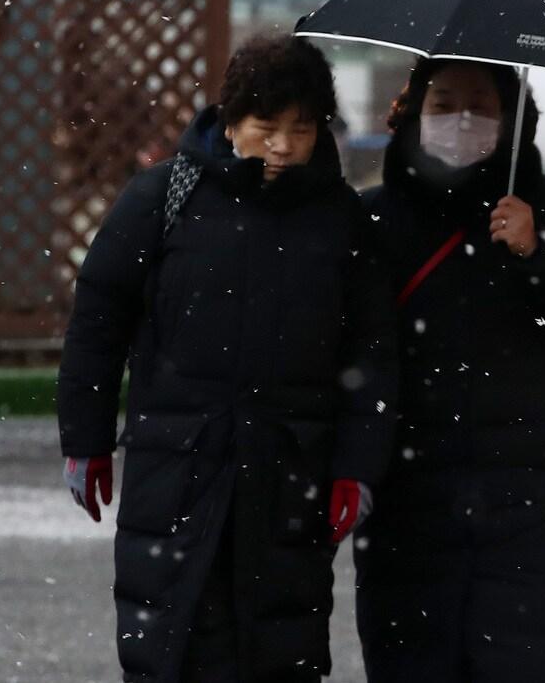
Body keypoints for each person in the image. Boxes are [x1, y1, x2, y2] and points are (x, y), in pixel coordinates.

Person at [56, 35, 398, 682]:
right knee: (171, 647)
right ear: (230, 117)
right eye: (266, 127)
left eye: (301, 129)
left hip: (288, 478)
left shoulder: (341, 220)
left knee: (278, 652)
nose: (282, 145)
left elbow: (373, 352)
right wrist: (86, 437)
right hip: (176, 470)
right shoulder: (163, 197)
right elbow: (98, 321)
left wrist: (358, 466)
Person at [355, 58, 545, 682]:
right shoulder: (374, 217)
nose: (461, 119)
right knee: (413, 660)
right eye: (443, 103)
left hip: (530, 494)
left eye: (480, 104)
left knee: (529, 659)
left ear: (511, 119)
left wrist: (537, 249)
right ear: (412, 115)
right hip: (410, 489)